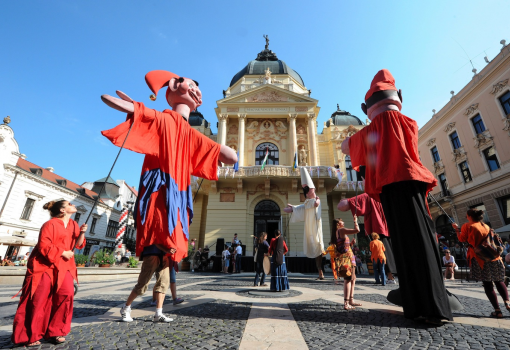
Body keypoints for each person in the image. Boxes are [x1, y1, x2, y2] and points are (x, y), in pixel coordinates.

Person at [101, 70, 237, 281]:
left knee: (173, 233)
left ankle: (160, 294)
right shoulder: (164, 119)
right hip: (160, 183)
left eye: (197, 88)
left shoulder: (191, 133)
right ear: (173, 86)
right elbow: (111, 101)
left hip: (180, 188)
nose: (196, 91)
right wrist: (136, 109)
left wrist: (136, 108)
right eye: (191, 85)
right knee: (159, 225)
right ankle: (150, 288)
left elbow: (231, 156)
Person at [341, 69, 453, 324]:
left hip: (390, 188)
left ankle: (417, 303)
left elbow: (346, 148)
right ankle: (435, 300)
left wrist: (353, 141)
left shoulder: (372, 129)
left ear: (366, 106)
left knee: (403, 244)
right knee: (424, 237)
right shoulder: (410, 123)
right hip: (413, 184)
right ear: (399, 96)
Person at [12, 200, 87, 347]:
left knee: (66, 295)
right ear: (62, 210)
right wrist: (62, 252)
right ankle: (30, 335)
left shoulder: (73, 225)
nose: (73, 205)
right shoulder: (50, 224)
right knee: (38, 299)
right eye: (69, 204)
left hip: (64, 266)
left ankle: (55, 331)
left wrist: (82, 233)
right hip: (44, 265)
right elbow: (43, 245)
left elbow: (78, 244)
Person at [453, 209, 509, 318]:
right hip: (494, 257)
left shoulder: (467, 226)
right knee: (499, 280)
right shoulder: (485, 226)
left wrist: (456, 229)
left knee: (488, 284)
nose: (466, 217)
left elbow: (462, 239)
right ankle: (507, 302)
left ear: (469, 216)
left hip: (480, 258)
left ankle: (497, 311)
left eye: (466, 215)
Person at [337, 189, 397, 283]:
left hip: (377, 229)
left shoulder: (369, 195)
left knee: (379, 260)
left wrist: (347, 200)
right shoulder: (381, 195)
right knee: (387, 254)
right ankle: (389, 277)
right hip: (386, 227)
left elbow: (341, 206)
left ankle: (387, 277)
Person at [284, 168, 326, 280]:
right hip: (309, 226)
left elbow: (315, 205)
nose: (307, 192)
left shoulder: (316, 200)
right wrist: (293, 208)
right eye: (305, 191)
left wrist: (316, 202)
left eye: (308, 190)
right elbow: (303, 208)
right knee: (312, 244)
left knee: (318, 245)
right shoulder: (308, 202)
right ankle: (320, 271)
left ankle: (321, 271)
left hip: (315, 226)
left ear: (313, 189)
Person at [119, 244, 175, 323]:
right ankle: (125, 308)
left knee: (164, 283)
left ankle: (158, 314)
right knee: (142, 285)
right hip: (152, 252)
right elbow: (153, 237)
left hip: (165, 255)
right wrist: (165, 248)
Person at [333, 217, 361, 310]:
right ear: (338, 223)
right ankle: (346, 303)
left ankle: (351, 300)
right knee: (348, 279)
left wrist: (350, 244)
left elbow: (343, 247)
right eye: (341, 220)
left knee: (352, 278)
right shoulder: (341, 230)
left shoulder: (337, 232)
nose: (343, 221)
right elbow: (357, 230)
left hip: (348, 258)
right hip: (347, 259)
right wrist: (355, 221)